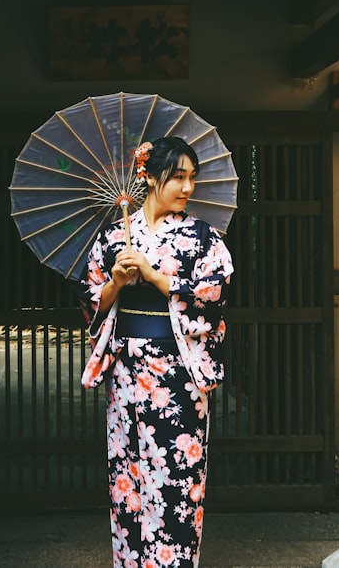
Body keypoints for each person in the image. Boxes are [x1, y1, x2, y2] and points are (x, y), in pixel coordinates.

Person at [77, 136, 234, 568]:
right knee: (128, 477)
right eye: (177, 177)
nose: (187, 188)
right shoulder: (113, 237)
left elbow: (213, 298)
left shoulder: (203, 238)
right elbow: (91, 301)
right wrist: (116, 282)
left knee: (178, 479)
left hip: (178, 376)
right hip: (127, 373)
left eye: (191, 178)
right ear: (148, 177)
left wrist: (154, 275)